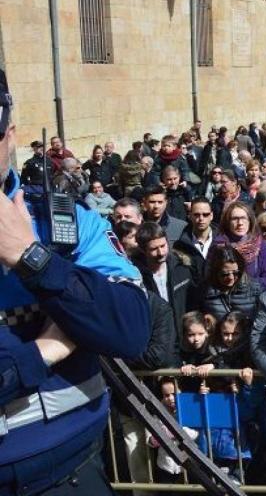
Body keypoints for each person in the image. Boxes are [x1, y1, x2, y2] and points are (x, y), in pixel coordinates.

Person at [0, 69, 150, 495]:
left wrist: (32, 258)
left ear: (9, 133)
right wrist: (44, 353)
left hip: (76, 471)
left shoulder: (62, 219)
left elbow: (130, 329)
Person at [215, 201, 266, 290]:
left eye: (244, 218)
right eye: (235, 218)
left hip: (253, 299)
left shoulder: (261, 246)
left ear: (250, 220)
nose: (240, 223)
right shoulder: (218, 246)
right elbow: (209, 278)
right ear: (227, 222)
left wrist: (246, 283)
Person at [198, 244, 263, 321]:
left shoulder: (254, 289)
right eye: (225, 274)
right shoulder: (204, 291)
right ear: (215, 272)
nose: (231, 278)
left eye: (236, 273)